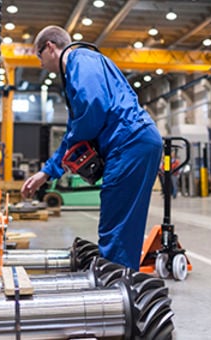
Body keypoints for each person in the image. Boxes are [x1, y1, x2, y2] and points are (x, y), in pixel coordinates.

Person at [21, 25, 163, 271]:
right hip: (137, 141)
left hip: (128, 143)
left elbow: (92, 109)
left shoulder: (80, 61)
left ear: (51, 47)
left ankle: (116, 290)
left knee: (116, 224)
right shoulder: (85, 64)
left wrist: (62, 159)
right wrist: (47, 172)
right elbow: (77, 128)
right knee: (124, 223)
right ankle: (123, 279)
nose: (40, 63)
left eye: (39, 56)